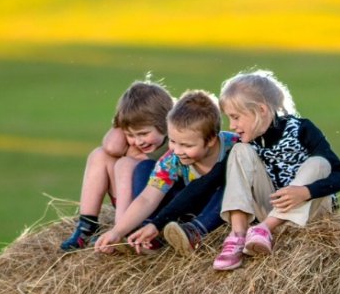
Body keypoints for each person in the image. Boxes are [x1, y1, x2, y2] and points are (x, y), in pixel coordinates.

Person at [211, 69, 340, 270]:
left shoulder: (301, 129)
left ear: (261, 110)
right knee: (240, 151)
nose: (232, 125)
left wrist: (305, 192)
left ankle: (265, 228)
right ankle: (238, 236)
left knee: (319, 163)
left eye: (236, 117)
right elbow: (211, 180)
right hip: (269, 210)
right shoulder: (247, 142)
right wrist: (161, 221)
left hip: (311, 212)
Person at [92, 89, 237, 255]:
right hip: (185, 206)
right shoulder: (172, 159)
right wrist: (117, 231)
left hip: (219, 209)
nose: (177, 150)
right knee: (144, 168)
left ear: (211, 140)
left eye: (187, 146)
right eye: (173, 141)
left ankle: (195, 231)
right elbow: (147, 198)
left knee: (230, 185)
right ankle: (145, 231)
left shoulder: (235, 147)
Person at [59, 78, 174, 252]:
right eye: (130, 135)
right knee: (98, 155)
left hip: (153, 205)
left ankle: (121, 230)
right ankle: (86, 225)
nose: (138, 141)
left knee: (125, 164)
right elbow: (112, 146)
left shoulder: (176, 143)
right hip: (128, 201)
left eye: (143, 133)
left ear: (164, 123)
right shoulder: (136, 141)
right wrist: (122, 122)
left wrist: (131, 157)